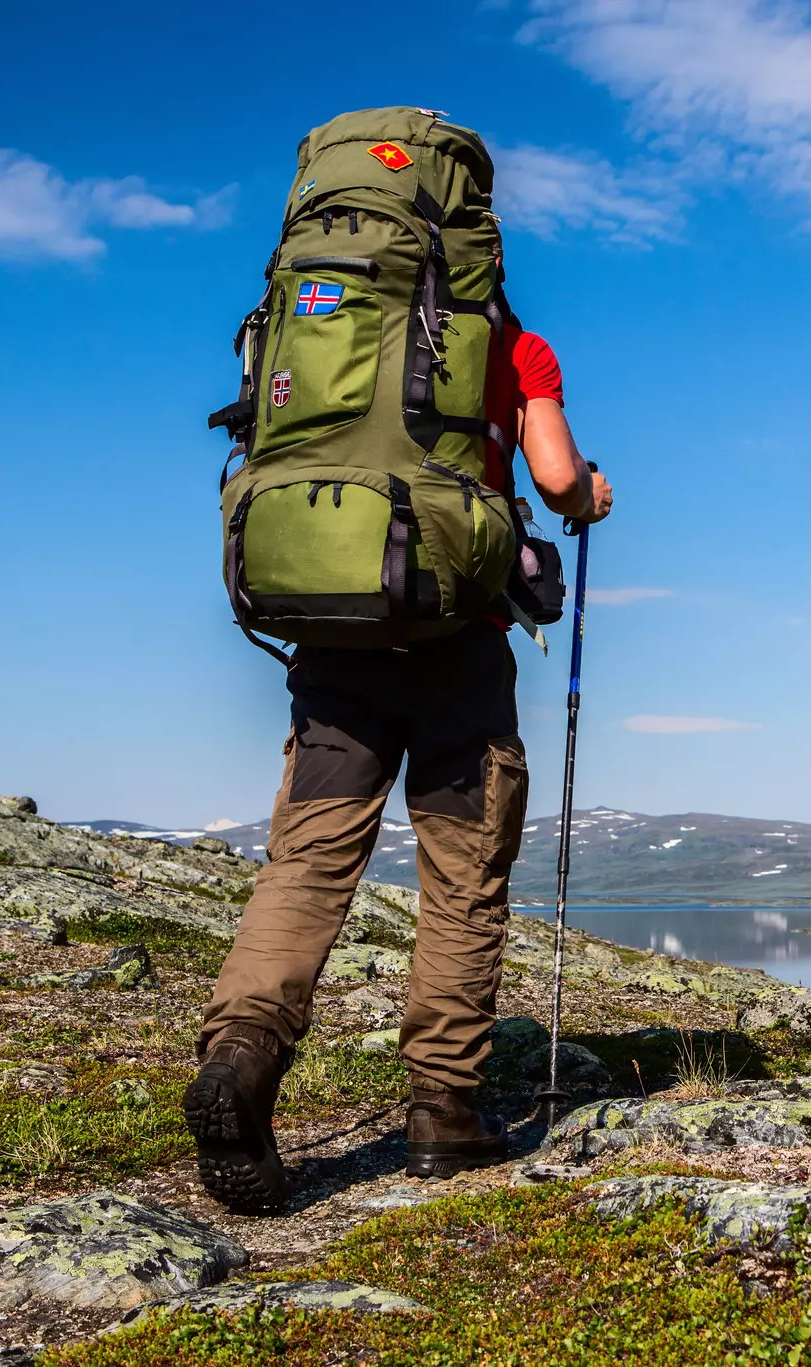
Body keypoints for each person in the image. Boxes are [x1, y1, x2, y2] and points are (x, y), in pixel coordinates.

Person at [184, 312, 614, 1212]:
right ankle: (442, 1110)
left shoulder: (316, 308)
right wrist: (589, 499)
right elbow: (557, 475)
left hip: (333, 635)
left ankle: (242, 1055)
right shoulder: (515, 343)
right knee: (462, 874)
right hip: (458, 643)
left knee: (306, 863)